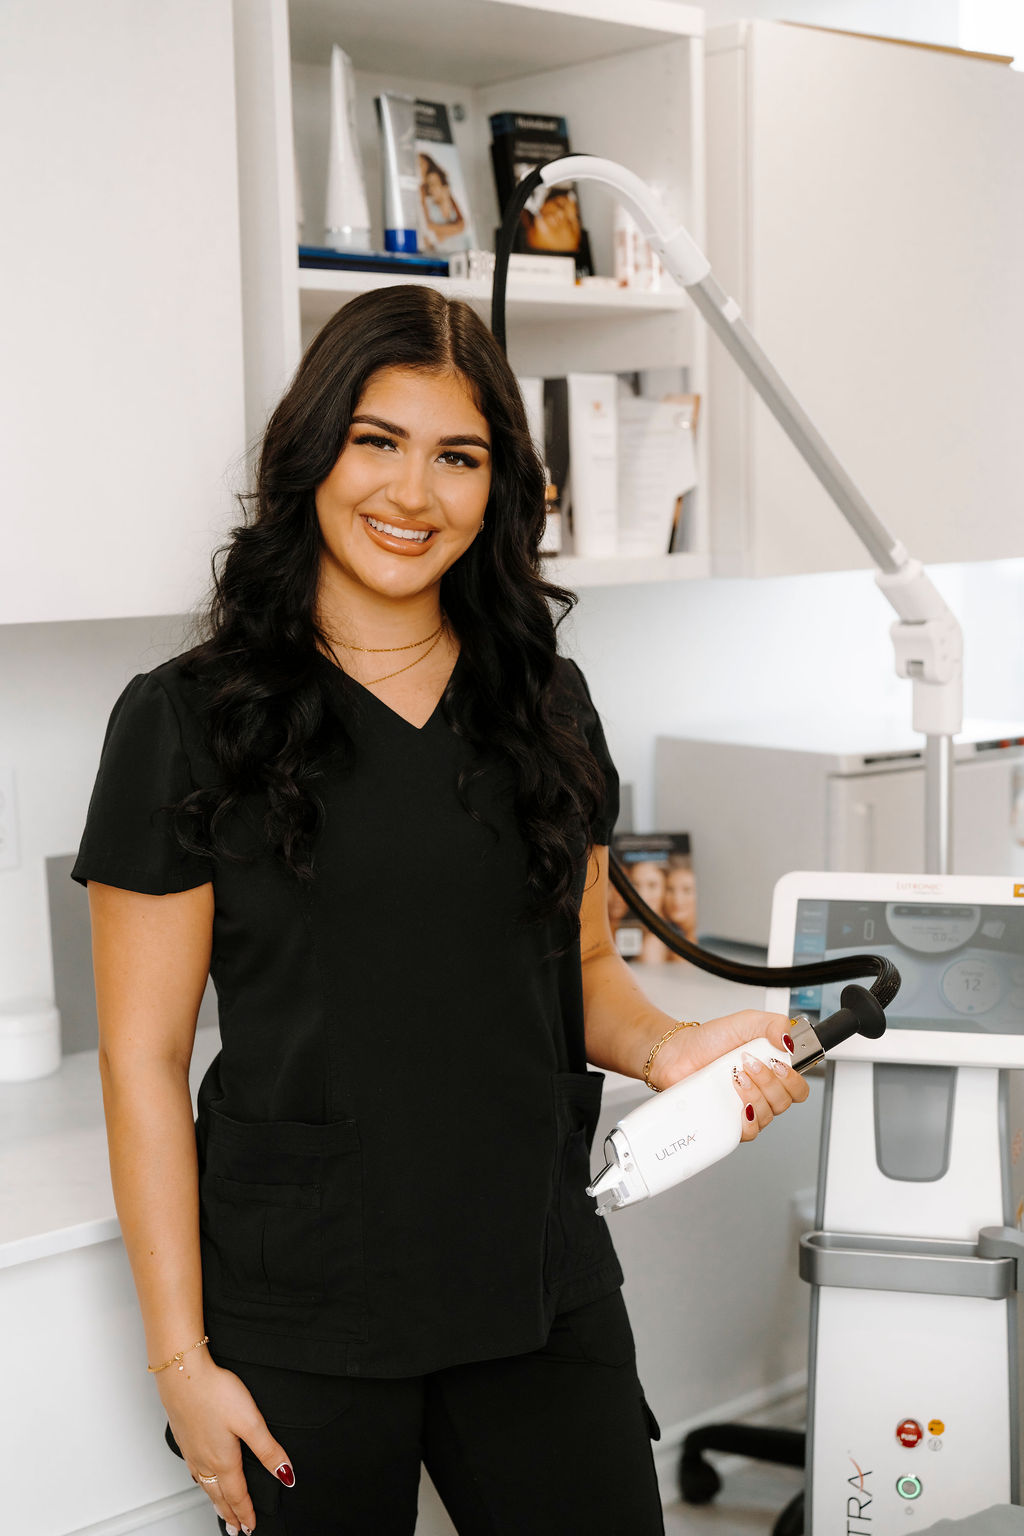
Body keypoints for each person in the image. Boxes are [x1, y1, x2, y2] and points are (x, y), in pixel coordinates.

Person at [72, 284, 808, 1536]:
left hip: (534, 1282)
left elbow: (577, 968)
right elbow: (141, 1064)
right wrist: (181, 1365)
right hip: (306, 1302)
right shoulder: (187, 719)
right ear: (312, 452)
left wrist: (670, 1049)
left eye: (457, 457)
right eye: (378, 442)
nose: (413, 496)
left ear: (500, 487)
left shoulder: (543, 703)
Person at [417, 153, 466, 252]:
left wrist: (442, 231)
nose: (419, 167)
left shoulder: (443, 189)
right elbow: (427, 227)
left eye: (422, 163)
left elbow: (461, 225)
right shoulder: (422, 192)